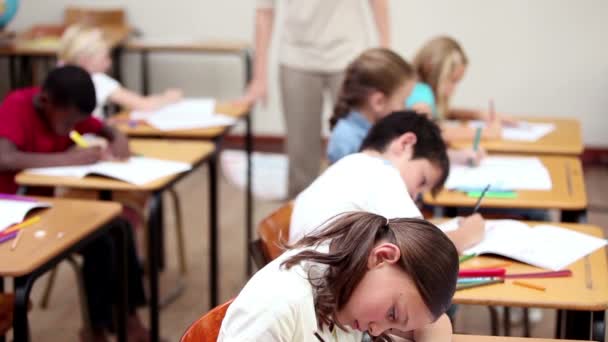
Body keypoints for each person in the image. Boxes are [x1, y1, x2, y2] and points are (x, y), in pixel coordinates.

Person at [0, 65, 149, 342]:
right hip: (12, 217)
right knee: (102, 243)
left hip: (44, 210)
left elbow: (102, 127)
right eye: (68, 123)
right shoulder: (16, 106)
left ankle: (126, 320)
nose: (73, 128)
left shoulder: (64, 105)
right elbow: (3, 157)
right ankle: (98, 330)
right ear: (46, 102)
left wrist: (118, 138)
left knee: (118, 229)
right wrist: (66, 159)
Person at [219, 211, 458, 341]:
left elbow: (434, 322)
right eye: (392, 313)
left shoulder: (350, 274)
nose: (376, 330)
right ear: (382, 257)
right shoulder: (278, 305)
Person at [239, 0, 391, 197]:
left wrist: (386, 54)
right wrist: (259, 79)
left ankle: (357, 221)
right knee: (300, 158)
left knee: (356, 151)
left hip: (348, 53)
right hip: (297, 58)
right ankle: (303, 223)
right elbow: (264, 12)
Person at [291, 111, 485, 253]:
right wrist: (468, 233)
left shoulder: (350, 167)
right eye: (421, 180)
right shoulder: (381, 173)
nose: (415, 196)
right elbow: (427, 250)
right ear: (405, 144)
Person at [327, 48, 485, 166]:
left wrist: (459, 157)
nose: (405, 108)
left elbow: (413, 157)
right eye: (403, 101)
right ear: (378, 102)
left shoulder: (380, 127)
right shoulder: (346, 140)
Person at [58, 25, 182, 119]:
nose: (109, 62)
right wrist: (168, 97)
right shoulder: (97, 81)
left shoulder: (57, 76)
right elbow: (143, 104)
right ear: (85, 60)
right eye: (105, 57)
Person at [407, 36, 514, 142]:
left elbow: (440, 113)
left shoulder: (418, 90)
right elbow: (428, 131)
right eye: (452, 80)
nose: (454, 88)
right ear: (429, 68)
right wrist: (484, 132)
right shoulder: (421, 92)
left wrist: (477, 114)